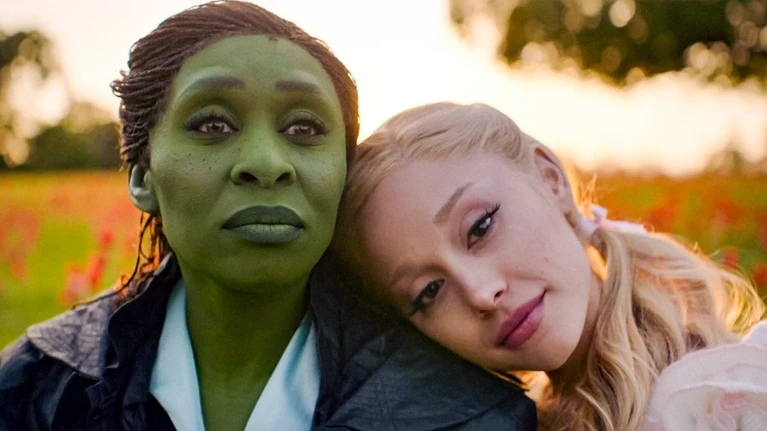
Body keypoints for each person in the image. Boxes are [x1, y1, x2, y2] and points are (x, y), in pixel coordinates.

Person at [0, 4, 536, 430]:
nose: (265, 163)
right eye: (213, 125)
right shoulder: (33, 388)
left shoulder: (473, 414)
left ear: (344, 174)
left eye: (304, 129)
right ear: (143, 176)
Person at [334, 102, 767, 431]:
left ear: (550, 178)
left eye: (480, 227)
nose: (481, 294)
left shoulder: (730, 402)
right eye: (429, 291)